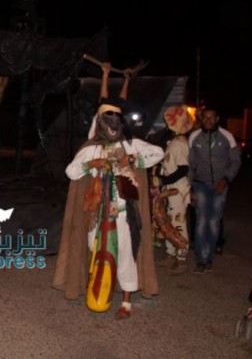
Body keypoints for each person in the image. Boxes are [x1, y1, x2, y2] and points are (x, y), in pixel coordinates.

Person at [53, 63, 164, 320]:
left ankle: (126, 302)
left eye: (116, 119)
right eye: (107, 119)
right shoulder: (91, 148)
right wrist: (90, 164)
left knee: (125, 253)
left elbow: (158, 153)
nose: (112, 124)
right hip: (96, 212)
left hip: (123, 213)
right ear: (101, 123)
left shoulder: (131, 144)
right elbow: (71, 172)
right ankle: (99, 290)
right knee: (96, 251)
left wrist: (132, 159)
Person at [188, 107, 241, 273]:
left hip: (220, 185)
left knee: (213, 222)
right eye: (205, 118)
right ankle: (200, 259)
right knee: (201, 221)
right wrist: (189, 188)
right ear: (201, 119)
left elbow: (236, 161)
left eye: (212, 118)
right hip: (200, 184)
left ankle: (209, 256)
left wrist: (226, 179)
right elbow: (190, 165)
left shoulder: (227, 137)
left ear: (217, 119)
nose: (208, 121)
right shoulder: (194, 137)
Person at [154, 105, 194, 275]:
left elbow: (183, 169)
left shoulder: (180, 143)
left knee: (178, 223)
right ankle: (171, 254)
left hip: (178, 188)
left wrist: (164, 180)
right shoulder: (173, 141)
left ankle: (181, 258)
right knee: (169, 222)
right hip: (171, 187)